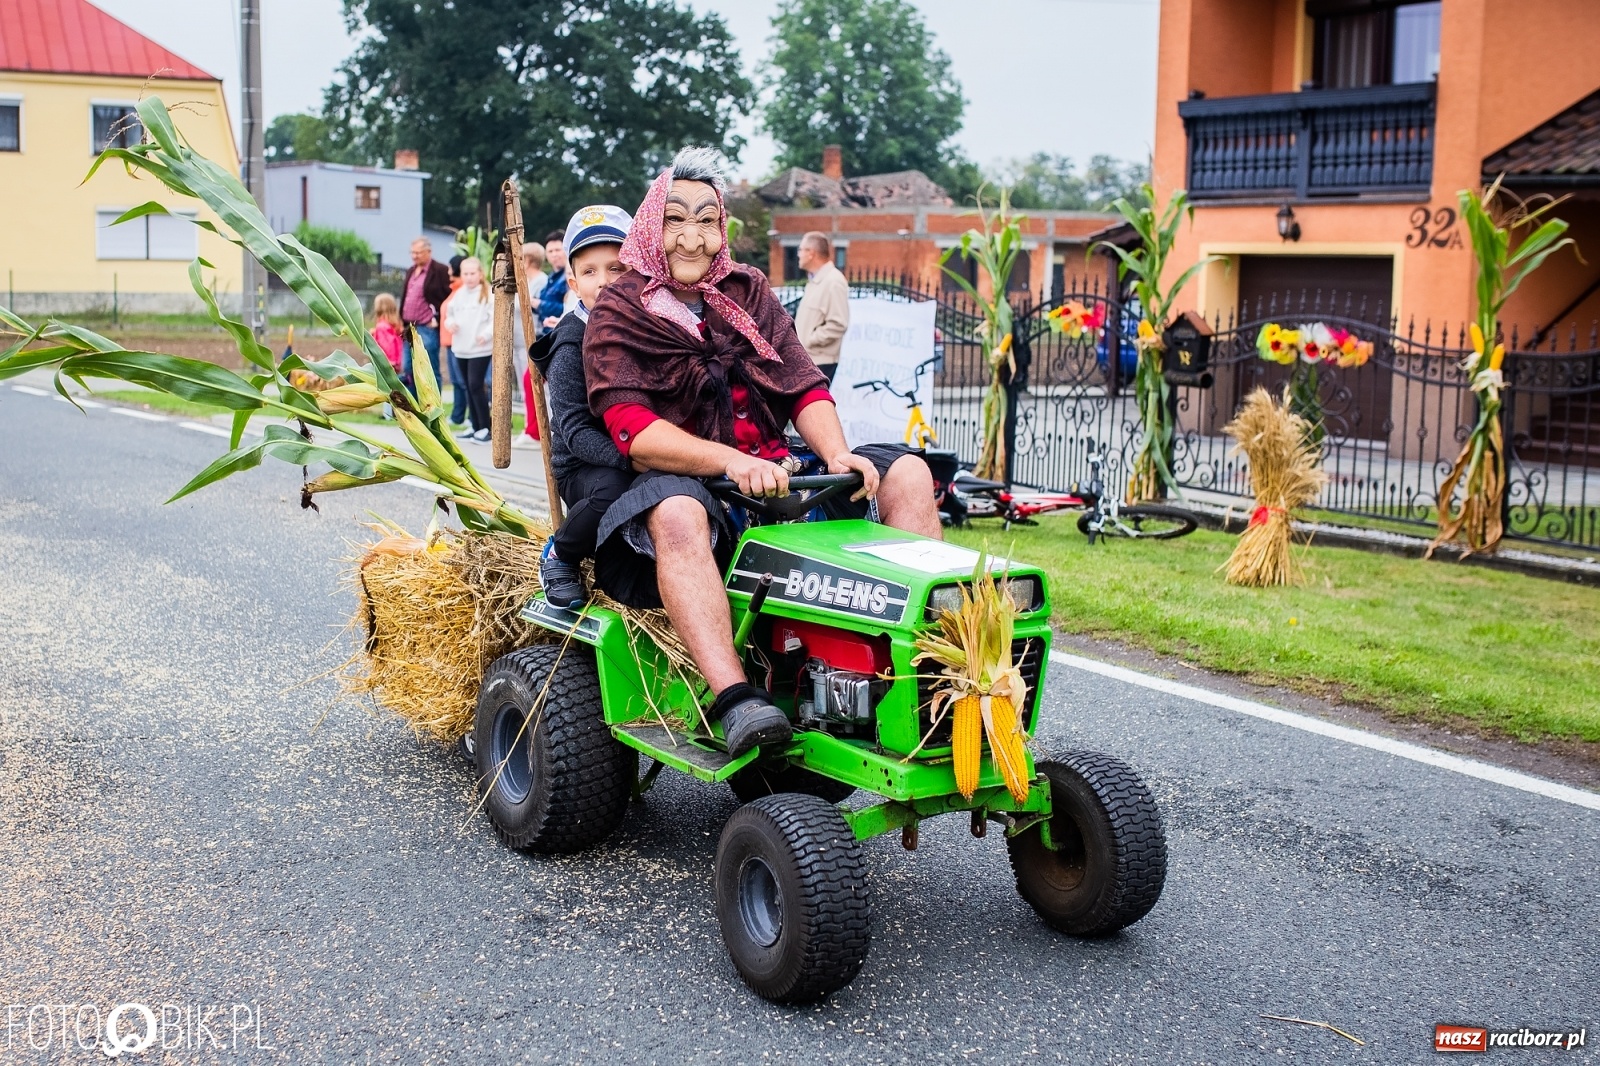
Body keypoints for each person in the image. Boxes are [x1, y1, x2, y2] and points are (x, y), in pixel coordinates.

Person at [584, 147, 942, 758]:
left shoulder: (748, 290)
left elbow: (802, 382)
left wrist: (837, 454)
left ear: (722, 227)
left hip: (779, 469)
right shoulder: (620, 307)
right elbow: (632, 431)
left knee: (904, 470)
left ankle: (930, 673)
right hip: (691, 483)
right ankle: (735, 700)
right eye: (676, 220)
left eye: (706, 220)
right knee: (675, 514)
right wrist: (729, 461)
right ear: (651, 225)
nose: (692, 239)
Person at [529, 204, 635, 607]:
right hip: (585, 464)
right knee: (616, 488)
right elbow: (573, 431)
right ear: (572, 282)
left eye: (616, 269)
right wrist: (631, 457)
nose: (604, 281)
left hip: (638, 448)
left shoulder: (647, 330)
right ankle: (561, 554)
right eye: (590, 272)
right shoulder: (572, 342)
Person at [442, 256, 494, 442]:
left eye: (473, 273)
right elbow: (449, 315)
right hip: (461, 347)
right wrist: (451, 324)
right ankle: (474, 425)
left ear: (480, 274)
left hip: (480, 348)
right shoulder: (460, 293)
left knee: (476, 385)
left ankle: (486, 428)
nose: (469, 277)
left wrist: (486, 335)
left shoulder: (487, 293)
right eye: (466, 274)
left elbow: (494, 318)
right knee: (467, 387)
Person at [793, 231, 849, 383]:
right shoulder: (816, 280)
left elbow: (838, 324)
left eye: (801, 250)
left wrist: (809, 341)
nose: (799, 254)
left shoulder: (833, 281)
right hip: (809, 359)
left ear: (811, 253)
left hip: (820, 361)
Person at [399, 237, 451, 391]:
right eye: (412, 253)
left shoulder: (439, 270)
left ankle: (434, 407)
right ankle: (414, 408)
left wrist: (437, 318)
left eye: (418, 253)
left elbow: (448, 296)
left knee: (430, 369)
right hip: (409, 327)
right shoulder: (411, 270)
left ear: (428, 251)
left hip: (426, 328)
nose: (415, 256)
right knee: (408, 368)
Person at [514, 243, 549, 448]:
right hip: (519, 340)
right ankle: (529, 426)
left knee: (533, 384)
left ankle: (536, 430)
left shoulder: (541, 282)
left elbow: (528, 307)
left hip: (535, 337)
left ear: (526, 260)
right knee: (524, 385)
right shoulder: (524, 281)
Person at [439, 255, 469, 427]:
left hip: (457, 340)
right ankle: (457, 415)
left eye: (450, 267)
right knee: (457, 381)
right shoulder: (454, 290)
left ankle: (462, 415)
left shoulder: (461, 291)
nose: (448, 271)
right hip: (449, 340)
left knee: (461, 381)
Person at [537, 230, 569, 332]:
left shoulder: (571, 275)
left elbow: (569, 307)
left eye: (558, 250)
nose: (554, 254)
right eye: (550, 251)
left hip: (562, 332)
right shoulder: (550, 277)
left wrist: (539, 305)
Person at [370, 292, 403, 370]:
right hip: (398, 361)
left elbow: (387, 346)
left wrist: (391, 362)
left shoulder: (381, 327)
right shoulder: (395, 325)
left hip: (388, 365)